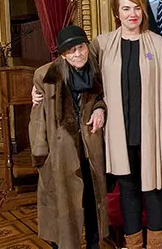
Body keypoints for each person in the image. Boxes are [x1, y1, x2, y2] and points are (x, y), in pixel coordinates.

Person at [92, 0, 162, 249]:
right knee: (127, 190)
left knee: (153, 189)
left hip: (151, 129)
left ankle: (154, 244)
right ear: (117, 13)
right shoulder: (103, 44)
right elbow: (82, 76)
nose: (132, 14)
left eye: (136, 8)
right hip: (119, 130)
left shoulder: (159, 44)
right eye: (125, 9)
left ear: (143, 10)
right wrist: (39, 83)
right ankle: (133, 245)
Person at [30, 25, 109, 249]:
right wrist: (40, 155)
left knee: (92, 203)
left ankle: (94, 244)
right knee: (61, 208)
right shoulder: (46, 76)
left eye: (81, 47)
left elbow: (104, 98)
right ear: (63, 54)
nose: (78, 54)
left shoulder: (96, 72)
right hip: (60, 154)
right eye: (71, 50)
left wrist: (100, 108)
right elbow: (38, 120)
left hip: (89, 149)